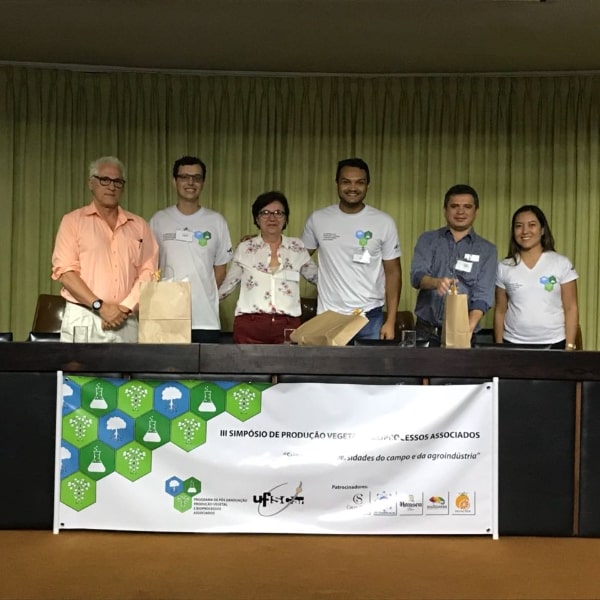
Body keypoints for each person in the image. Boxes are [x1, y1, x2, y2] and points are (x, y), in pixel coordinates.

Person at [51, 156, 158, 342]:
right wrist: (100, 307)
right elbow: (66, 273)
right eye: (105, 180)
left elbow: (149, 272)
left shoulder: (140, 226)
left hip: (126, 319)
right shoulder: (72, 222)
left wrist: (123, 308)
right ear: (91, 183)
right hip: (83, 317)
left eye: (118, 181)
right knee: (80, 372)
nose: (111, 186)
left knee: (125, 371)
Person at [301, 158, 402, 341]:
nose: (353, 188)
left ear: (368, 185)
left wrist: (391, 320)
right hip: (328, 316)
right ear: (337, 184)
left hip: (370, 317)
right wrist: (261, 239)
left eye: (359, 182)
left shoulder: (384, 222)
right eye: (346, 181)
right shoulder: (318, 219)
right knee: (329, 369)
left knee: (369, 370)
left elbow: (393, 273)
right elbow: (295, 257)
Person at [150, 156, 233, 343]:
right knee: (164, 371)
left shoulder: (216, 221)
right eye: (184, 177)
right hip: (166, 317)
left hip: (205, 320)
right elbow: (149, 267)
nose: (190, 182)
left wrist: (202, 292)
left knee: (202, 372)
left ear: (203, 183)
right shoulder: (159, 220)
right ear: (174, 181)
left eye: (196, 178)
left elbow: (220, 271)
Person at [219, 191, 317, 344]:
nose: (272, 218)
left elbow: (319, 279)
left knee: (287, 368)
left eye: (278, 213)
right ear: (257, 219)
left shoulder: (297, 247)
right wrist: (199, 304)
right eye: (265, 213)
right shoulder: (245, 248)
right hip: (249, 327)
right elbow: (226, 286)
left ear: (285, 219)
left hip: (288, 328)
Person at [410, 184, 497, 347]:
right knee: (423, 373)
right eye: (454, 206)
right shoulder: (428, 239)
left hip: (465, 331)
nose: (460, 212)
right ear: (445, 209)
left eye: (467, 207)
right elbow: (417, 276)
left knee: (457, 373)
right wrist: (436, 282)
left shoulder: (487, 250)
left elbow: (483, 295)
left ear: (476, 211)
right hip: (426, 332)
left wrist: (466, 330)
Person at [494, 205, 579, 350]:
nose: (525, 231)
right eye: (519, 226)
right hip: (513, 343)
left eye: (532, 225)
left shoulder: (561, 263)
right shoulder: (504, 266)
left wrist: (570, 346)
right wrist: (499, 347)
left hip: (554, 343)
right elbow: (500, 310)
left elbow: (571, 308)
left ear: (542, 230)